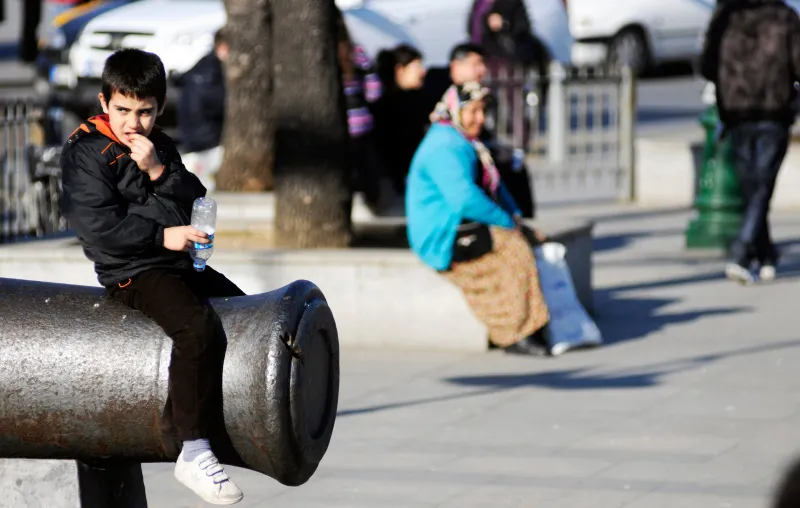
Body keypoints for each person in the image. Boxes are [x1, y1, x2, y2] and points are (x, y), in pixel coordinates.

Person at [59, 48, 244, 505]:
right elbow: (99, 228)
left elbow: (195, 198)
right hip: (133, 272)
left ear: (159, 108)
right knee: (195, 329)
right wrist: (165, 237)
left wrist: (158, 171)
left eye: (144, 112)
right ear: (104, 102)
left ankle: (191, 421)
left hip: (177, 262)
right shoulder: (85, 152)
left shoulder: (158, 144)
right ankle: (193, 449)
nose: (133, 123)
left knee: (244, 316)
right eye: (122, 110)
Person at [405, 81, 550, 356]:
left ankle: (531, 325)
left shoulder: (463, 140)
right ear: (455, 110)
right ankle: (514, 332)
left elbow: (495, 187)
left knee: (525, 241)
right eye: (473, 111)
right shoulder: (444, 145)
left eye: (483, 111)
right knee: (513, 249)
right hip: (441, 234)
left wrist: (516, 218)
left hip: (461, 222)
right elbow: (464, 198)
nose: (480, 118)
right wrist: (507, 222)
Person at [700, 0, 800, 284]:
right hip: (774, 109)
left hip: (737, 108)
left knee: (753, 187)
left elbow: (707, 65)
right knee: (761, 186)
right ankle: (744, 252)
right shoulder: (784, 16)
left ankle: (763, 253)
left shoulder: (728, 15)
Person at [334, 7, 384, 210]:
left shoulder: (318, 54)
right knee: (366, 169)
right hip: (361, 124)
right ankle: (372, 201)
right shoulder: (357, 53)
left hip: (336, 127)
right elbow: (374, 93)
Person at [372, 44, 429, 195]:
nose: (423, 72)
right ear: (400, 70)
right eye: (417, 66)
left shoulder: (419, 99)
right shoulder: (388, 106)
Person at [177, 28, 229, 192]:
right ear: (223, 47)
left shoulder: (202, 67)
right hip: (206, 141)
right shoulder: (211, 74)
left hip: (196, 138)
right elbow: (216, 104)